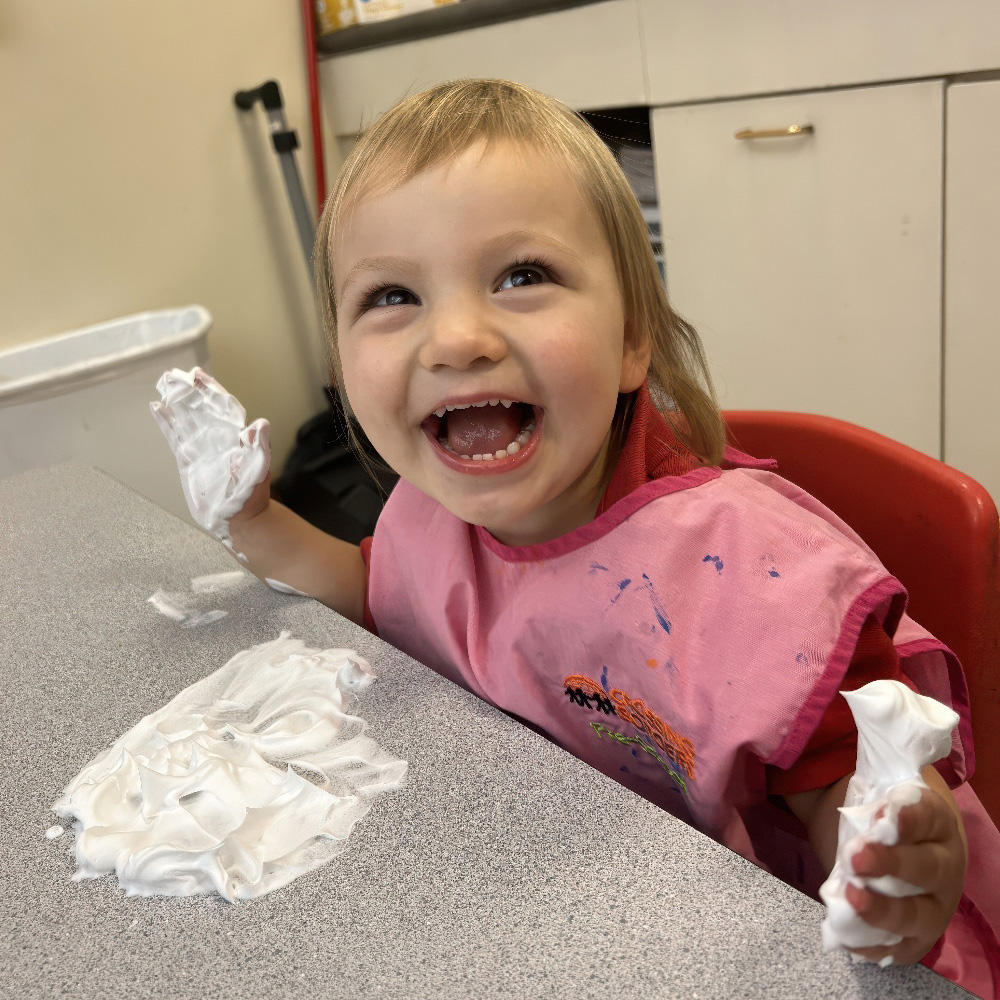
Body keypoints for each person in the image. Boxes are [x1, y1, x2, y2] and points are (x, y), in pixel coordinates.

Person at [156, 79, 1000, 995]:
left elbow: (855, 795)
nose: (456, 338)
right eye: (392, 295)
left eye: (523, 277)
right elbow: (379, 601)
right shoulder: (429, 512)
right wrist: (252, 522)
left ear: (633, 336)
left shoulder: (744, 574)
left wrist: (897, 873)